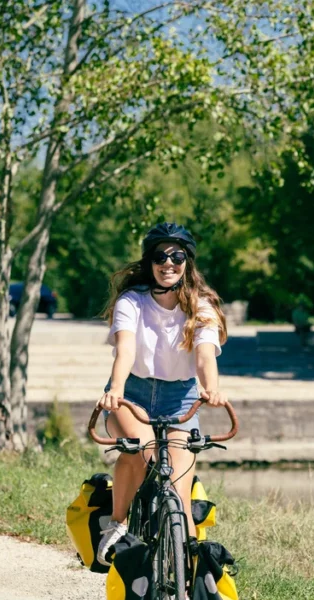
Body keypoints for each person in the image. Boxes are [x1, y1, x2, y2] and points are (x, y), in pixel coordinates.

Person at [96, 222, 227, 568]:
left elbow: (204, 355)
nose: (168, 263)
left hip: (181, 398)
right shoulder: (132, 302)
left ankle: (183, 586)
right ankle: (118, 523)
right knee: (140, 451)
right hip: (133, 393)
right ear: (149, 262)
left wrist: (210, 388)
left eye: (177, 256)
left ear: (188, 262)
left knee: (179, 490)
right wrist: (116, 389)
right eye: (160, 256)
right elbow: (125, 349)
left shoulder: (202, 307)